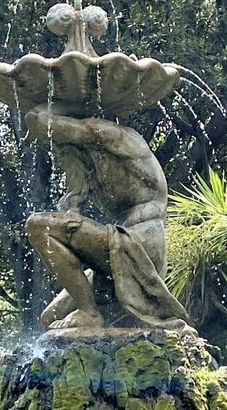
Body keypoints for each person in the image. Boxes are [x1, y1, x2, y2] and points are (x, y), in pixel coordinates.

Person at [24, 103, 191, 331]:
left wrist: (52, 102)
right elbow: (73, 208)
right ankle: (93, 316)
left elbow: (40, 121)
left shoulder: (118, 136)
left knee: (38, 226)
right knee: (51, 316)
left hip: (139, 243)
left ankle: (90, 313)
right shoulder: (90, 164)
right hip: (115, 245)